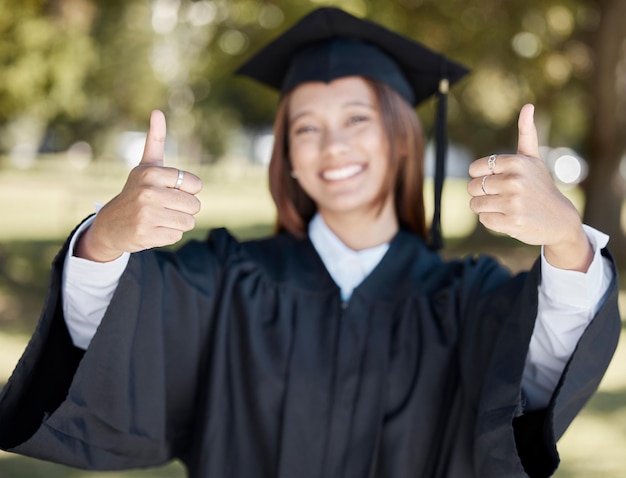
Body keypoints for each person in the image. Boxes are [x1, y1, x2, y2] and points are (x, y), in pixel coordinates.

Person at [0, 7, 620, 478]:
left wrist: (566, 237)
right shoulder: (225, 277)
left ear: (401, 138)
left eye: (357, 119)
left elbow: (537, 374)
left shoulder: (465, 298)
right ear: (288, 157)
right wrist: (107, 237)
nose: (332, 146)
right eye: (306, 127)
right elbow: (106, 340)